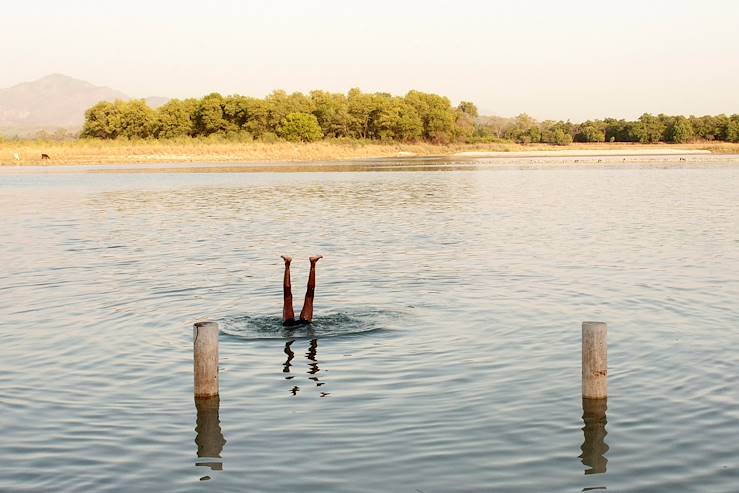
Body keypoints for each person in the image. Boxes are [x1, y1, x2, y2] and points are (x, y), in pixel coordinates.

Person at [281, 255, 323, 326]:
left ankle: (287, 265)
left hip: (290, 327)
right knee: (308, 296)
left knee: (288, 297)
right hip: (304, 326)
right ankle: (313, 264)